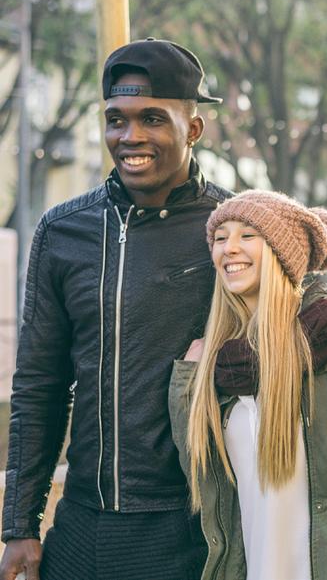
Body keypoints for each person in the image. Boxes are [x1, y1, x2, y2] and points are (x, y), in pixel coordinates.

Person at [1, 39, 230, 580]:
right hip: (82, 528)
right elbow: (39, 385)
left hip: (195, 529)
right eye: (116, 120)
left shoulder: (233, 229)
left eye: (152, 118)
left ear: (193, 129)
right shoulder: (63, 232)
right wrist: (19, 526)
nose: (131, 137)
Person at [168, 190, 327, 580]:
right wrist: (188, 379)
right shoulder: (212, 361)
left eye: (247, 235)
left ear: (281, 252)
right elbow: (200, 478)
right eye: (220, 238)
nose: (229, 249)